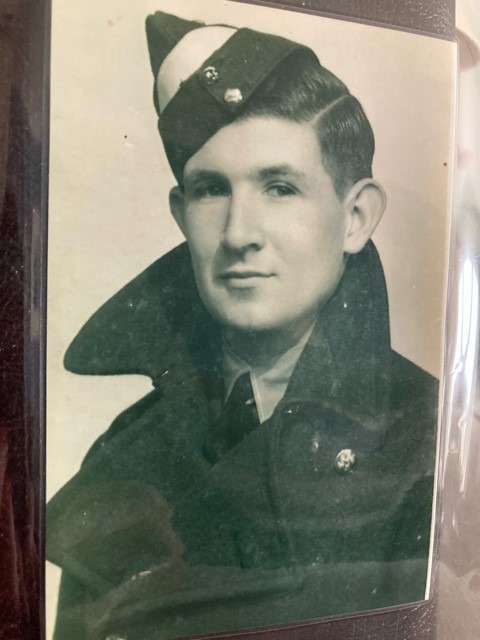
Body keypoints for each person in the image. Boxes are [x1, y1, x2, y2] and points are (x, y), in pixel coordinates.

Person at [47, 10, 438, 640]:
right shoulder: (125, 457)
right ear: (181, 214)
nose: (238, 235)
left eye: (280, 187)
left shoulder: (434, 445)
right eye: (210, 190)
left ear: (356, 217)